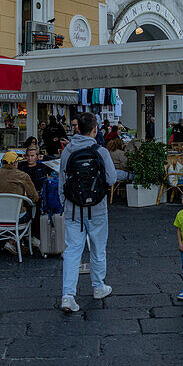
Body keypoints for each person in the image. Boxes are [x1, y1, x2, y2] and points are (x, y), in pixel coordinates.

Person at [58, 112, 117, 313]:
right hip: (97, 208)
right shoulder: (101, 151)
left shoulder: (67, 151)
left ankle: (68, 295)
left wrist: (65, 204)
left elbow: (62, 182)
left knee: (73, 251)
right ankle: (98, 286)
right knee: (98, 249)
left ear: (77, 129)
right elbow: (111, 179)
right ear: (94, 129)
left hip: (73, 209)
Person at [0, 151, 40, 255]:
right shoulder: (22, 176)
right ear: (15, 163)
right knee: (30, 213)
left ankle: (13, 241)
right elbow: (34, 197)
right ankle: (16, 241)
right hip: (17, 217)